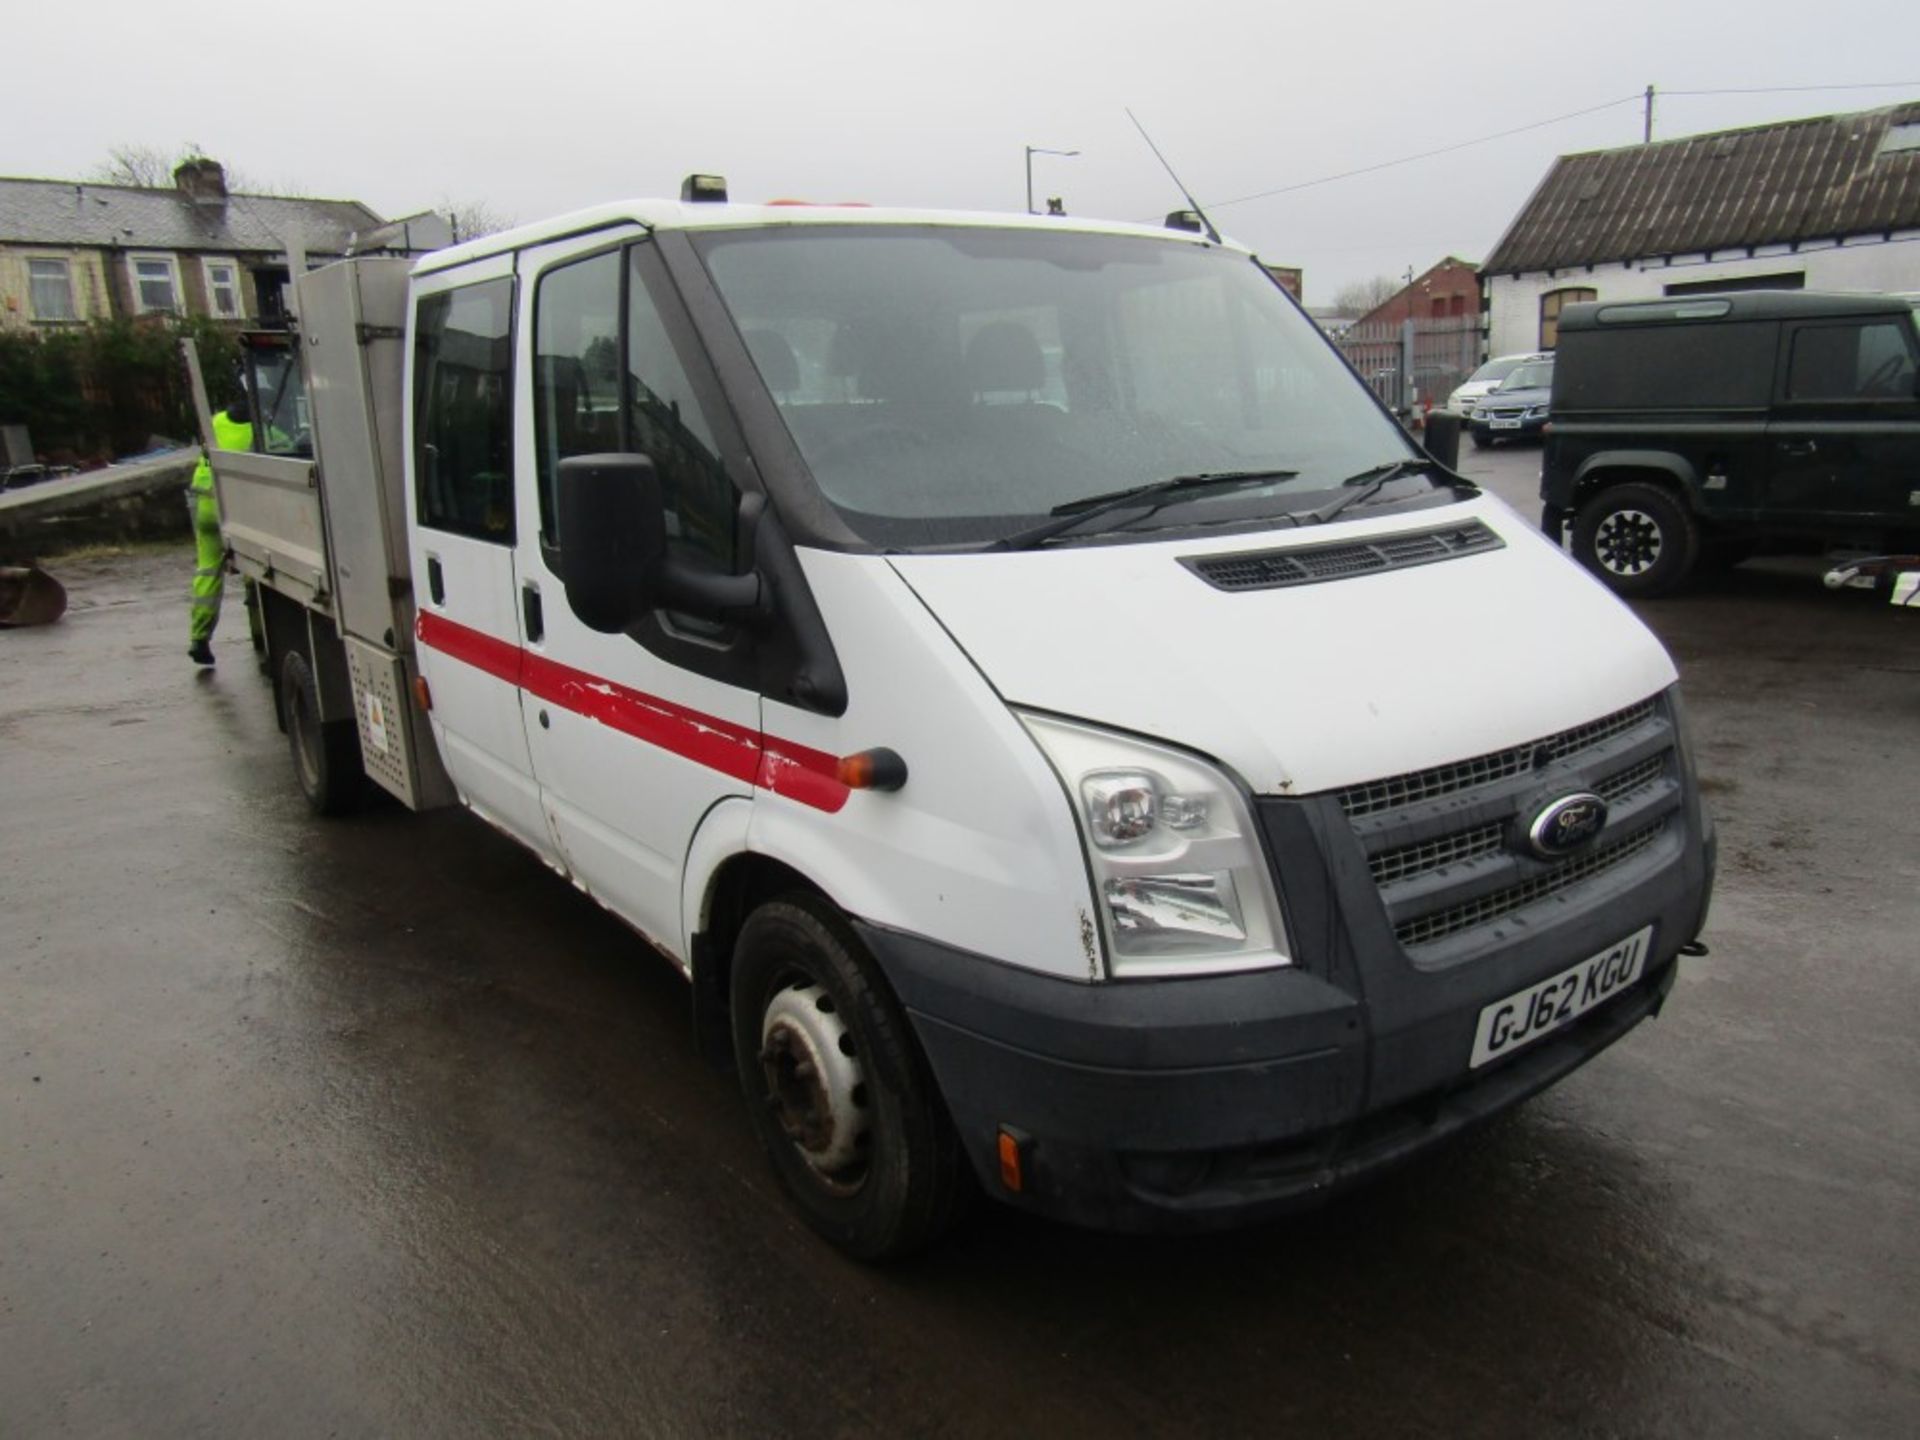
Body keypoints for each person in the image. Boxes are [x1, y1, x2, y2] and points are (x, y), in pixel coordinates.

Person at [187, 391, 256, 666]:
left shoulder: (214, 422)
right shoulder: (261, 430)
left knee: (207, 572)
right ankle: (261, 629)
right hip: (234, 508)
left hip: (204, 504)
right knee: (256, 566)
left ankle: (198, 638)